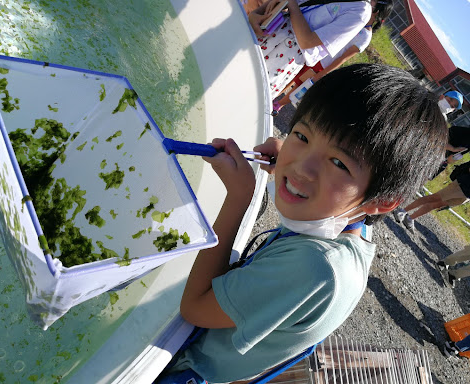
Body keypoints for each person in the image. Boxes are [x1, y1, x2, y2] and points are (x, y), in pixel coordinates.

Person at [155, 64, 447, 383]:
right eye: (302, 135)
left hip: (190, 370)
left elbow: (194, 308)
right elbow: (319, 173)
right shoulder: (354, 225)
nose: (302, 169)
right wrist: (285, 158)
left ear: (383, 202)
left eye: (338, 163)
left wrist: (239, 198)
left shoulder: (314, 267)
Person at [271, 0, 394, 115]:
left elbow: (344, 58)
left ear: (376, 10)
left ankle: (278, 105)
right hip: (312, 51)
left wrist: (323, 73)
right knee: (290, 75)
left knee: (299, 84)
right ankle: (275, 93)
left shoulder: (365, 36)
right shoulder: (351, 12)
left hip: (323, 64)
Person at [249, 0, 373, 96]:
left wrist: (292, 5)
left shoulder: (360, 11)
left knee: (250, 91)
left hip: (283, 56)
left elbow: (307, 41)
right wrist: (256, 14)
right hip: (266, 30)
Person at [393, 161, 470, 232]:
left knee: (437, 205)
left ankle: (410, 218)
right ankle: (402, 211)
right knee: (433, 198)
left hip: (467, 196)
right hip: (464, 186)